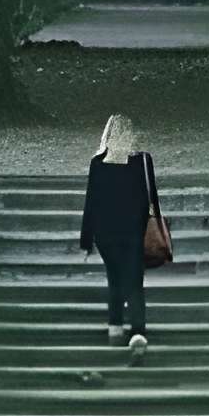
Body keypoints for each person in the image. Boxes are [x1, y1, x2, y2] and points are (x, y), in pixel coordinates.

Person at [77, 112, 162, 357]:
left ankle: (115, 327)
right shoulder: (142, 161)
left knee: (115, 279)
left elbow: (91, 203)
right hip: (132, 232)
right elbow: (151, 199)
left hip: (109, 234)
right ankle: (137, 331)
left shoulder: (98, 163)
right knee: (134, 281)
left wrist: (86, 240)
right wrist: (155, 226)